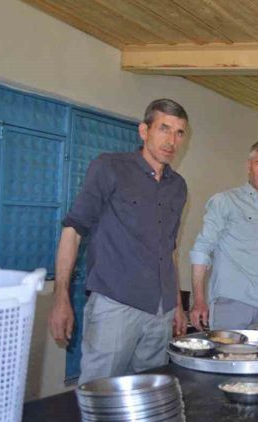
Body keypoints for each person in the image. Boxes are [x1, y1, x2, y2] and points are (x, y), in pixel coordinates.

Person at [48, 99, 189, 384]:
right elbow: (73, 230)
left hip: (160, 312)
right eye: (164, 128)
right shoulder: (109, 167)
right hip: (115, 304)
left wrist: (177, 306)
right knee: (100, 396)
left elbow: (169, 250)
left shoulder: (179, 186)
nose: (171, 140)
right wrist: (61, 297)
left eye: (179, 132)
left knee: (147, 400)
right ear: (143, 130)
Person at [189, 141, 258, 331]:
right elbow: (202, 250)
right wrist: (199, 300)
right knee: (228, 359)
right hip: (232, 304)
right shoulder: (225, 201)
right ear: (249, 166)